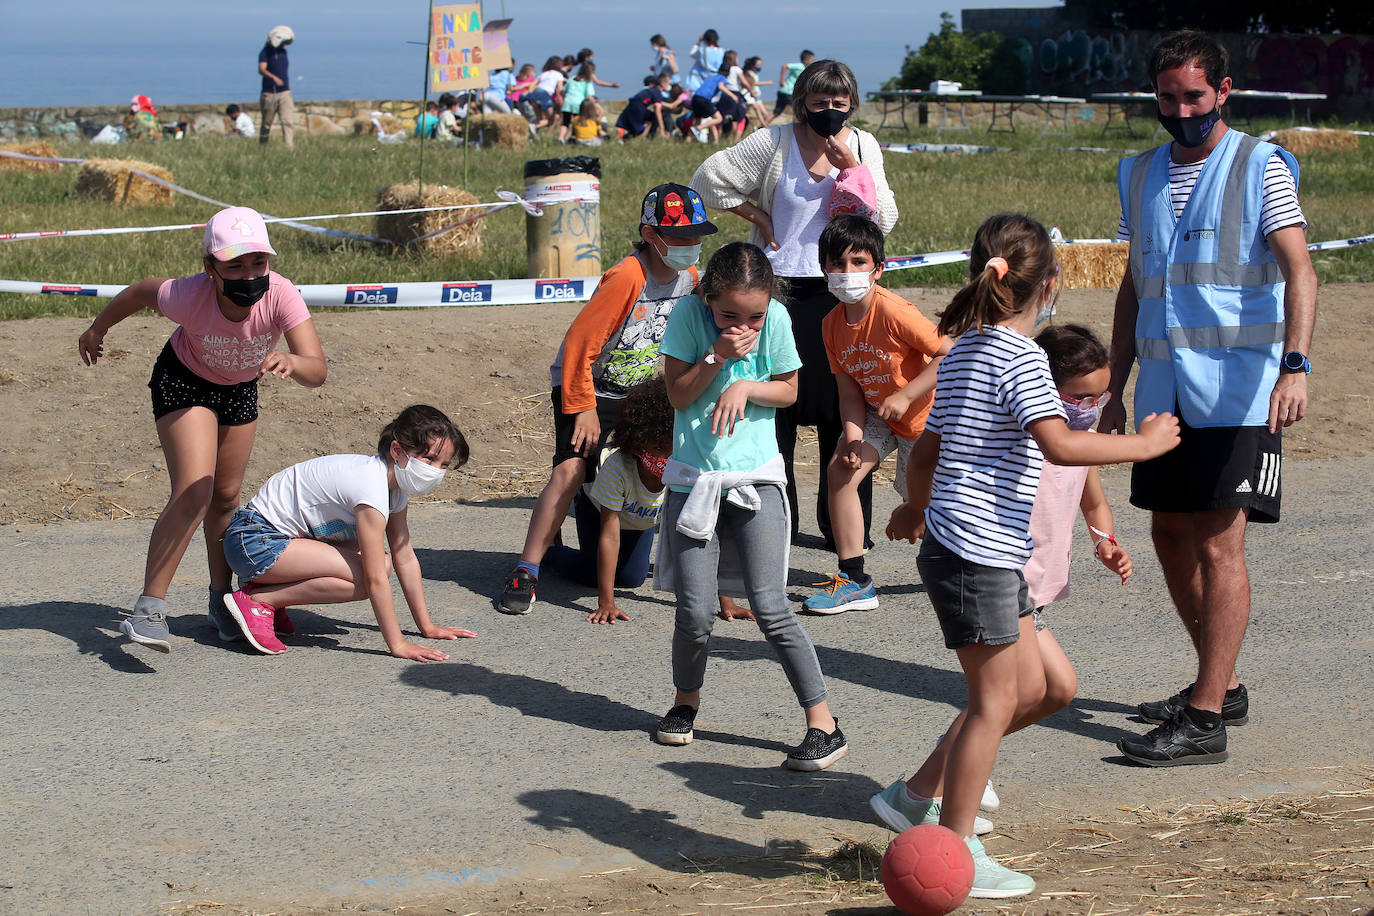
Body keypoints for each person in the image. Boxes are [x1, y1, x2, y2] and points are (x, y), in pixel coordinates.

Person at [880, 213, 1180, 898]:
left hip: (980, 548)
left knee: (1052, 690)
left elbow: (926, 450)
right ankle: (955, 846)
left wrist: (916, 505)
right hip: (975, 552)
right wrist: (1147, 443)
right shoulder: (1018, 359)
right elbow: (1062, 446)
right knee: (996, 701)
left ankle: (917, 797)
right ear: (1052, 283)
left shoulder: (964, 352)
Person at [1101, 30, 1318, 766]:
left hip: (1241, 391)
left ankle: (1203, 719)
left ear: (1223, 91)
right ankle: (1217, 685)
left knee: (1221, 543)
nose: (1181, 109)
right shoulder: (1137, 173)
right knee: (1167, 535)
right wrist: (1115, 384)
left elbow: (1300, 272)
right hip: (1165, 389)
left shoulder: (1262, 165)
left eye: (1194, 95)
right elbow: (1135, 285)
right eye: (1167, 97)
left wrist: (1296, 366)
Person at [76, 206, 327, 653]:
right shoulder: (186, 295)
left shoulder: (282, 295)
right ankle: (149, 609)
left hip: (238, 390)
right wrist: (97, 328)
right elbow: (137, 293)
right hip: (184, 381)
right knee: (195, 488)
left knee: (226, 497)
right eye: (235, 265)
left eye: (258, 263)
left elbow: (317, 369)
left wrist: (294, 362)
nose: (249, 273)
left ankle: (221, 599)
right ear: (210, 268)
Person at [654, 241, 847, 771]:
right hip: (695, 480)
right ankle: (685, 703)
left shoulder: (778, 318)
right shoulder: (689, 318)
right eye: (729, 314)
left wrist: (744, 386)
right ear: (708, 299)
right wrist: (718, 357)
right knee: (694, 612)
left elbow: (788, 391)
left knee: (771, 605)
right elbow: (677, 395)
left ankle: (824, 723)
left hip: (758, 478)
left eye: (753, 316)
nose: (743, 323)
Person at [691, 59, 897, 549]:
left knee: (840, 408)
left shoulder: (864, 145)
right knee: (778, 407)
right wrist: (759, 217)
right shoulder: (774, 141)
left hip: (841, 288)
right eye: (819, 102)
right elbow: (707, 181)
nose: (829, 111)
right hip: (779, 288)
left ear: (852, 104)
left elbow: (884, 219)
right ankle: (774, 525)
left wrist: (853, 170)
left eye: (839, 103)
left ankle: (843, 528)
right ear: (802, 100)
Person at [495, 184, 719, 616]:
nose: (691, 245)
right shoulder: (628, 276)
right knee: (574, 467)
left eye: (697, 236)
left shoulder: (689, 278)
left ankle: (609, 522)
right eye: (681, 237)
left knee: (652, 476)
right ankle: (527, 569)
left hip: (633, 390)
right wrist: (582, 408)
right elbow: (580, 344)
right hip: (587, 386)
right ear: (649, 234)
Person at [220, 405, 477, 658]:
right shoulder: (370, 487)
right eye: (429, 458)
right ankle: (260, 600)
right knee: (369, 577)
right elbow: (375, 578)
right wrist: (398, 644)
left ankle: (266, 593)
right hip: (255, 541)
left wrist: (427, 627)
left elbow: (405, 556)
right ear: (397, 450)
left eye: (443, 465)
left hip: (276, 541)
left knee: (379, 565)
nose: (435, 471)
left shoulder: (395, 490)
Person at [804, 215, 949, 614]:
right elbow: (849, 391)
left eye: (858, 263)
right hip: (879, 415)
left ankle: (987, 566)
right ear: (824, 270)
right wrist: (852, 437)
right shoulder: (830, 324)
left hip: (926, 420)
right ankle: (854, 580)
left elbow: (947, 353)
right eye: (837, 264)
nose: (846, 272)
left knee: (931, 510)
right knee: (840, 470)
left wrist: (906, 395)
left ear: (878, 269)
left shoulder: (894, 311)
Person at [258, 25, 295, 149]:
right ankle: (263, 146)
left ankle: (289, 147)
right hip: (269, 93)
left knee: (287, 121)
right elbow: (261, 69)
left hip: (284, 92)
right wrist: (274, 78)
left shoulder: (283, 52)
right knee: (267, 123)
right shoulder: (265, 52)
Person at [687, 65, 739, 144]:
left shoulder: (713, 77)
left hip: (696, 98)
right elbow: (721, 86)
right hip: (704, 99)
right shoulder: (722, 78)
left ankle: (687, 140)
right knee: (718, 118)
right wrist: (733, 96)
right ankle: (698, 128)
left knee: (697, 120)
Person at [617, 73, 673, 140]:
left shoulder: (652, 90)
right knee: (639, 129)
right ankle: (648, 137)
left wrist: (671, 106)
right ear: (663, 83)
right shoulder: (657, 92)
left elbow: (657, 102)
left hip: (632, 107)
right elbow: (657, 110)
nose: (669, 86)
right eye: (669, 84)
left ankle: (644, 137)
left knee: (650, 119)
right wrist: (662, 129)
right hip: (638, 109)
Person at [775, 50, 813, 120]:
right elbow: (785, 66)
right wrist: (782, 80)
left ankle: (762, 125)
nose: (812, 61)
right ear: (806, 59)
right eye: (811, 59)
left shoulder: (804, 68)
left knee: (777, 112)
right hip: (788, 91)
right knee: (798, 110)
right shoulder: (800, 66)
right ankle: (796, 125)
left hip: (784, 91)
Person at [740, 56, 774, 129]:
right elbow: (753, 83)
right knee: (756, 112)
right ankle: (761, 128)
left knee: (766, 115)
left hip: (757, 97)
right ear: (753, 65)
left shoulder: (755, 73)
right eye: (758, 65)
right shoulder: (749, 73)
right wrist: (767, 82)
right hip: (752, 96)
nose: (760, 67)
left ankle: (760, 128)